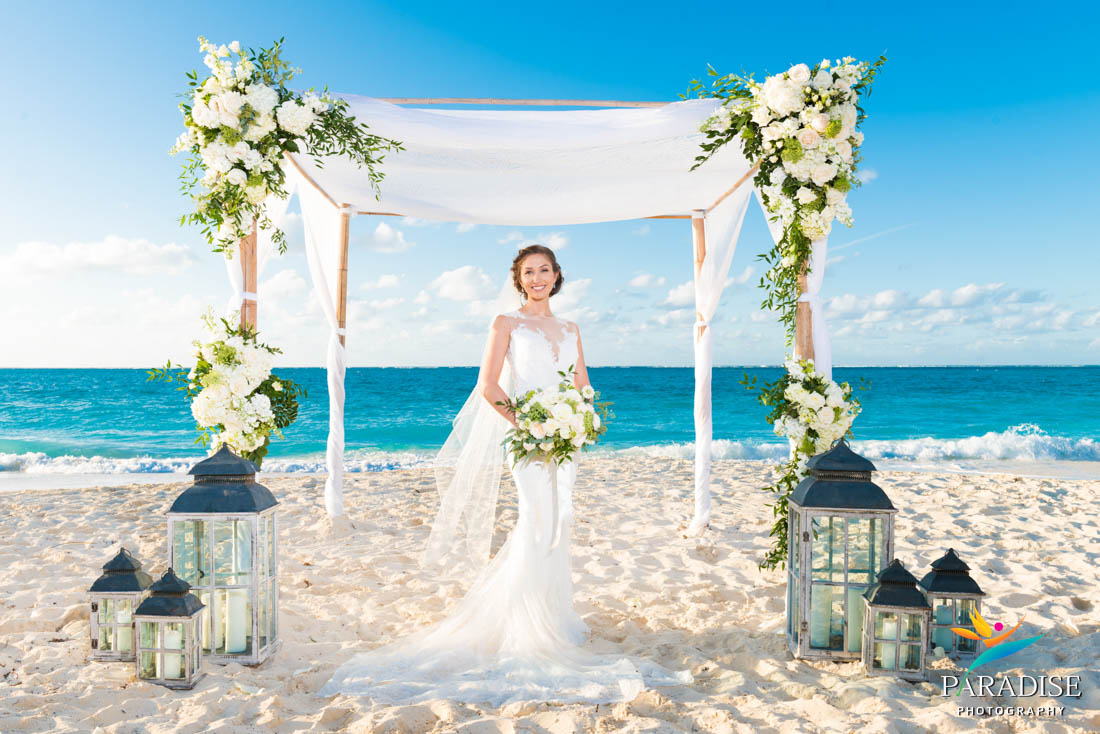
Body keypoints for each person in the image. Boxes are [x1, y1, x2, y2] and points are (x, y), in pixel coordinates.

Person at [319, 245, 692, 705]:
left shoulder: (571, 327)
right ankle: (522, 625)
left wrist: (584, 418)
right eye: (528, 272)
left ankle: (554, 617)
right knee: (535, 523)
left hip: (565, 441)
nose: (537, 278)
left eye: (545, 271)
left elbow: (581, 384)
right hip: (529, 439)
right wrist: (529, 423)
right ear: (518, 279)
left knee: (560, 523)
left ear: (557, 276)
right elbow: (488, 386)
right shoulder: (506, 323)